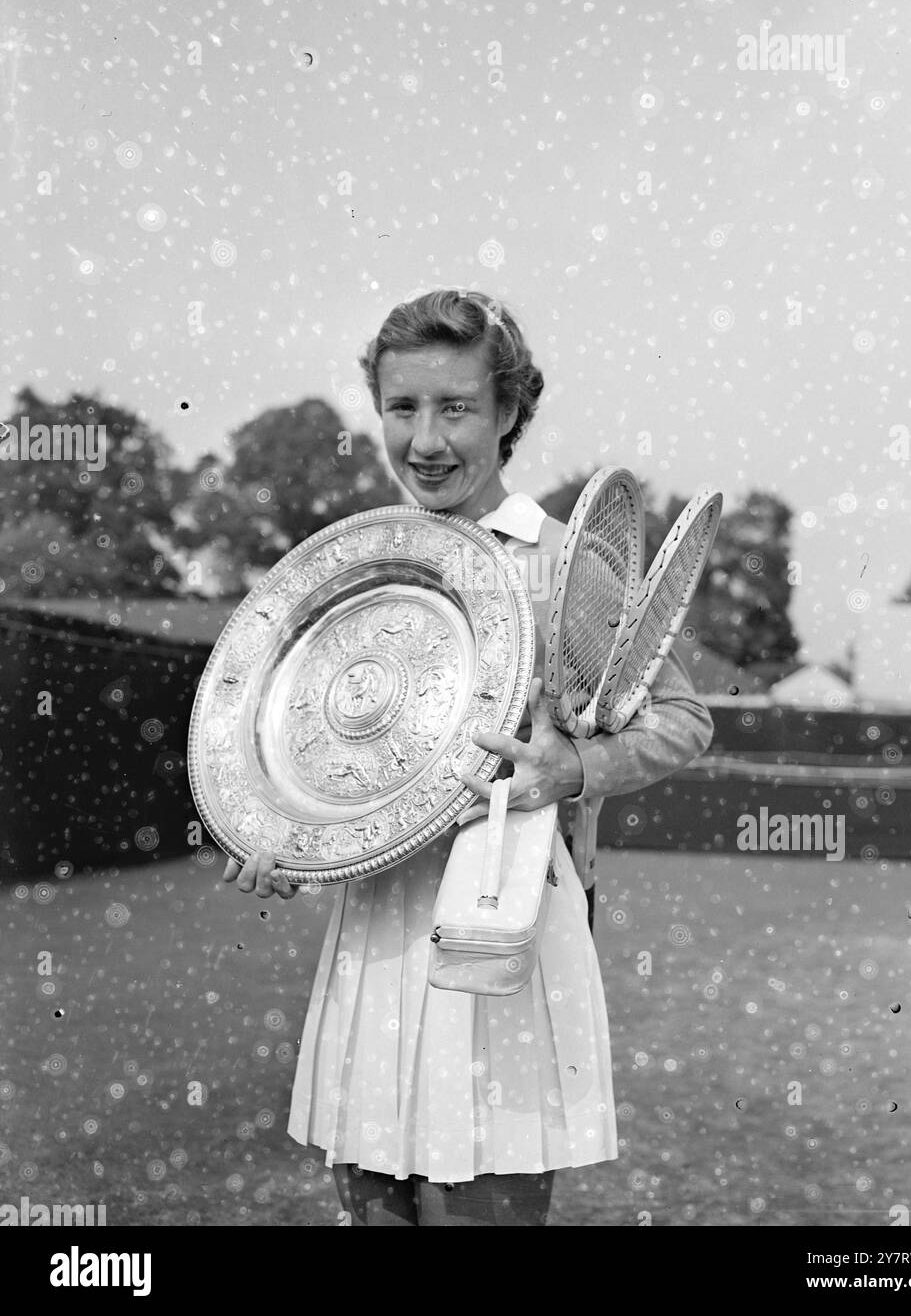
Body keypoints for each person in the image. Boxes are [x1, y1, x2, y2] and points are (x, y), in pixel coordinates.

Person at [224, 288, 714, 1226]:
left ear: (507, 416)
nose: (426, 439)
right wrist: (275, 836)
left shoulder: (558, 560)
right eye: (403, 407)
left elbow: (681, 717)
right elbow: (317, 751)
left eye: (455, 408)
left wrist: (568, 770)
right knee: (372, 1208)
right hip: (374, 941)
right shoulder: (364, 567)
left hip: (503, 937)